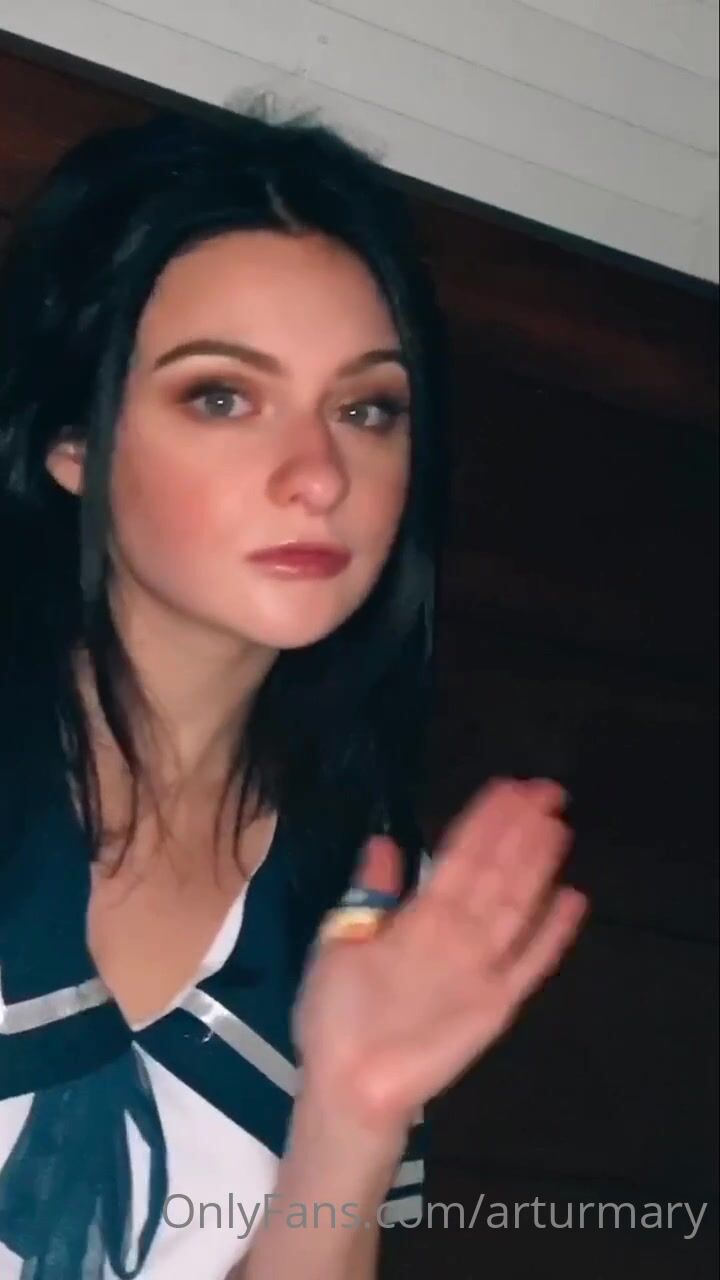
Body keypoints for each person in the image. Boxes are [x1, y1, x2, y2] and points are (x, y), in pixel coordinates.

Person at [0, 104, 587, 1279]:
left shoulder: (367, 901)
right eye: (222, 395)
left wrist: (354, 1113)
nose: (320, 474)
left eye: (366, 409)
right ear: (74, 442)